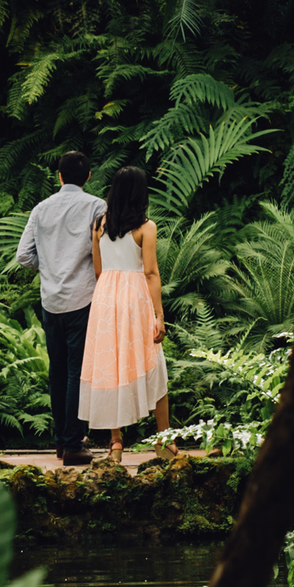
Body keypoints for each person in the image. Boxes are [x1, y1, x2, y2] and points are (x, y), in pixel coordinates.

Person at [13, 150, 105, 466]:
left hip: (51, 301)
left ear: (59, 176)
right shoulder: (96, 206)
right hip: (83, 298)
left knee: (58, 371)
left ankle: (60, 442)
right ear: (88, 177)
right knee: (78, 372)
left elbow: (23, 256)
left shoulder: (41, 209)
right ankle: (73, 444)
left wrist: (50, 268)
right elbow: (103, 248)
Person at [81, 164, 172, 462]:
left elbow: (98, 269)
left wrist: (110, 290)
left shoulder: (98, 225)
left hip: (105, 298)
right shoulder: (146, 227)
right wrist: (159, 315)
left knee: (110, 367)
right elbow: (150, 272)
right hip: (135, 299)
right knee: (154, 365)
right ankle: (163, 440)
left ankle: (116, 443)